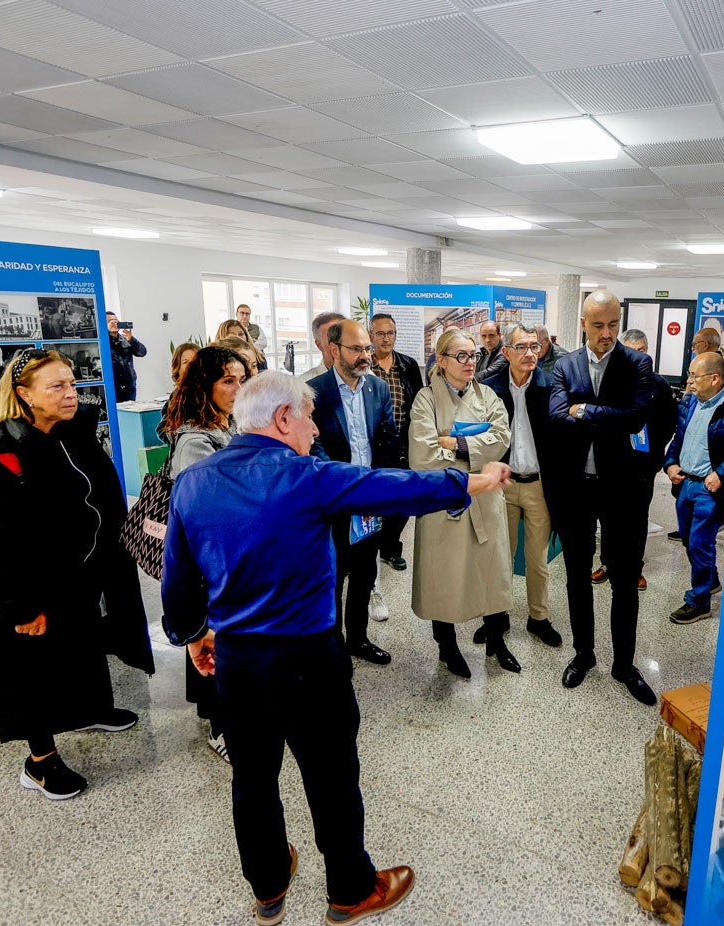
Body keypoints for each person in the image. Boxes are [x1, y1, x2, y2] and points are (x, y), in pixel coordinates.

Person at [162, 371, 510, 926]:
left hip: (237, 659)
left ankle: (268, 885)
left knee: (251, 777)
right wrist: (473, 482)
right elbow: (395, 485)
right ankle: (350, 889)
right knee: (330, 775)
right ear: (281, 419)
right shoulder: (308, 476)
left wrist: (193, 636)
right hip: (307, 660)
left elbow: (177, 581)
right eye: (306, 417)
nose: (313, 427)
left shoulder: (194, 481)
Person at [0, 348, 154, 800]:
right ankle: (39, 761)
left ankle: (89, 709)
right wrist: (19, 608)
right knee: (30, 674)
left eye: (72, 383)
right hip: (25, 587)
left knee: (81, 652)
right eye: (58, 386)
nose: (72, 393)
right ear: (23, 394)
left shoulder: (70, 433)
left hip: (74, 577)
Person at [549, 290, 658, 706]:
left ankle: (624, 665)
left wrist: (585, 411)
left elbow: (635, 418)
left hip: (622, 491)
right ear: (583, 323)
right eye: (598, 325)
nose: (607, 333)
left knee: (624, 580)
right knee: (576, 577)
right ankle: (584, 654)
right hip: (577, 488)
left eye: (614, 324)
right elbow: (558, 418)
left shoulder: (637, 363)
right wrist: (594, 415)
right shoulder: (565, 365)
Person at [409, 328, 518, 678]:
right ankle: (447, 644)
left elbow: (501, 439)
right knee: (445, 576)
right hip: (445, 503)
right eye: (460, 356)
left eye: (472, 355)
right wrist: (473, 447)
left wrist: (454, 442)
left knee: (491, 573)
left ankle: (497, 642)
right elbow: (423, 456)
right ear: (441, 361)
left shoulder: (488, 396)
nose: (469, 362)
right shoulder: (426, 399)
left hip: (485, 499)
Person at [161, 346, 250, 763]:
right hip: (209, 567)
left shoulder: (230, 424)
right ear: (205, 385)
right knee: (213, 644)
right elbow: (205, 517)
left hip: (233, 560)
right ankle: (220, 728)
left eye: (242, 379)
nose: (238, 388)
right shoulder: (196, 440)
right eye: (228, 381)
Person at [307, 321, 399, 666]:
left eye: (367, 348)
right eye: (357, 349)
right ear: (334, 351)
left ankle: (358, 639)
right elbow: (313, 448)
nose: (365, 356)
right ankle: (332, 648)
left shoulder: (377, 387)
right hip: (334, 502)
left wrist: (381, 488)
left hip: (370, 501)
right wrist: (344, 487)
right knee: (333, 578)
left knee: (364, 573)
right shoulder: (314, 392)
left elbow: (388, 438)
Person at [473, 322, 563, 653]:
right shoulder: (489, 387)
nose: (530, 353)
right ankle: (496, 618)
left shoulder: (551, 385)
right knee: (500, 557)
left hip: (539, 484)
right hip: (503, 485)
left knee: (538, 559)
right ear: (507, 352)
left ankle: (538, 618)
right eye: (522, 347)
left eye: (534, 347)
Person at [589, 330, 678, 590]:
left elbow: (668, 423)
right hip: (611, 465)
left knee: (637, 519)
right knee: (607, 517)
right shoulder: (611, 382)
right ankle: (607, 563)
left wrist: (653, 454)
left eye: (642, 350)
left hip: (642, 468)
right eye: (631, 351)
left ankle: (633, 568)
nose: (637, 355)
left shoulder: (658, 385)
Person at [663, 351, 724, 624]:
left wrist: (721, 473)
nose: (689, 381)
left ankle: (699, 602)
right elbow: (679, 438)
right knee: (688, 539)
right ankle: (710, 580)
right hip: (686, 483)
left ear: (715, 379)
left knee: (700, 543)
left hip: (711, 489)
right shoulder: (691, 401)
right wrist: (671, 463)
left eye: (694, 376)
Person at [368, 313, 423, 573]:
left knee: (404, 502)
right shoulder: (364, 365)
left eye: (390, 333)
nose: (386, 338)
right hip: (373, 448)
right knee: (376, 501)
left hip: (404, 444)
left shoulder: (408, 365)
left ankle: (390, 548)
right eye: (380, 333)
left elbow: (420, 404)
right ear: (371, 336)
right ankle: (371, 549)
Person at [106, 311, 147, 403]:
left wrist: (131, 339)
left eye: (116, 320)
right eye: (110, 321)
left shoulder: (126, 339)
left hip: (129, 387)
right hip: (112, 387)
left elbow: (142, 352)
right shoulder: (102, 342)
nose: (114, 322)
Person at [300, 311, 346, 380]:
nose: (341, 341)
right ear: (319, 345)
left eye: (345, 335)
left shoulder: (366, 377)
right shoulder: (305, 383)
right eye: (334, 336)